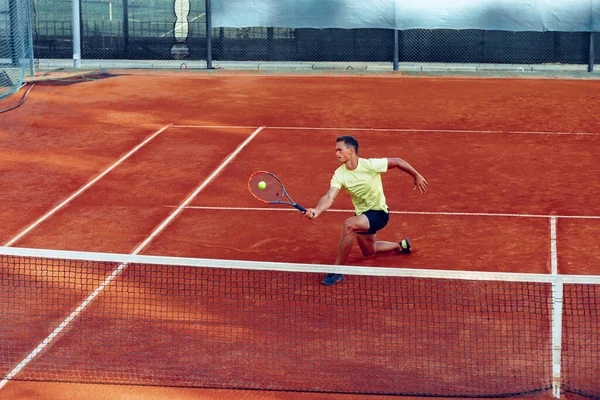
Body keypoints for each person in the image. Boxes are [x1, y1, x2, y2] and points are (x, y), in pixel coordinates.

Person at [306, 135, 428, 286]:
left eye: (339, 150)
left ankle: (336, 271)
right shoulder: (339, 174)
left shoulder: (370, 165)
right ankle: (400, 246)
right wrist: (317, 210)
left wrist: (416, 175)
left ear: (351, 151)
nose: (336, 154)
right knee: (369, 251)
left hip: (379, 213)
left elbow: (397, 161)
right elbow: (329, 196)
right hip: (362, 215)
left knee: (349, 225)